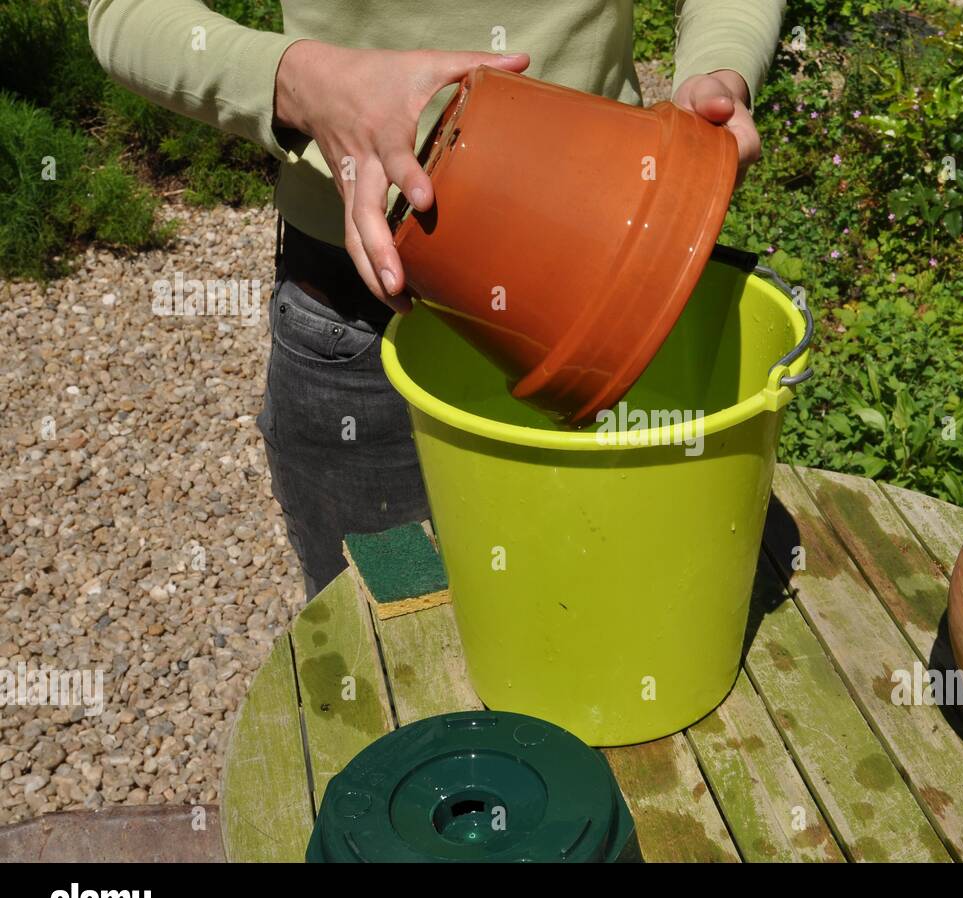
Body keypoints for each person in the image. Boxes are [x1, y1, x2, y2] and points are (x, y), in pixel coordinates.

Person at [87, 1, 785, 598]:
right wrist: (301, 82)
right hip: (360, 328)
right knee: (393, 654)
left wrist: (719, 72)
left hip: (623, 291)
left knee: (619, 623)